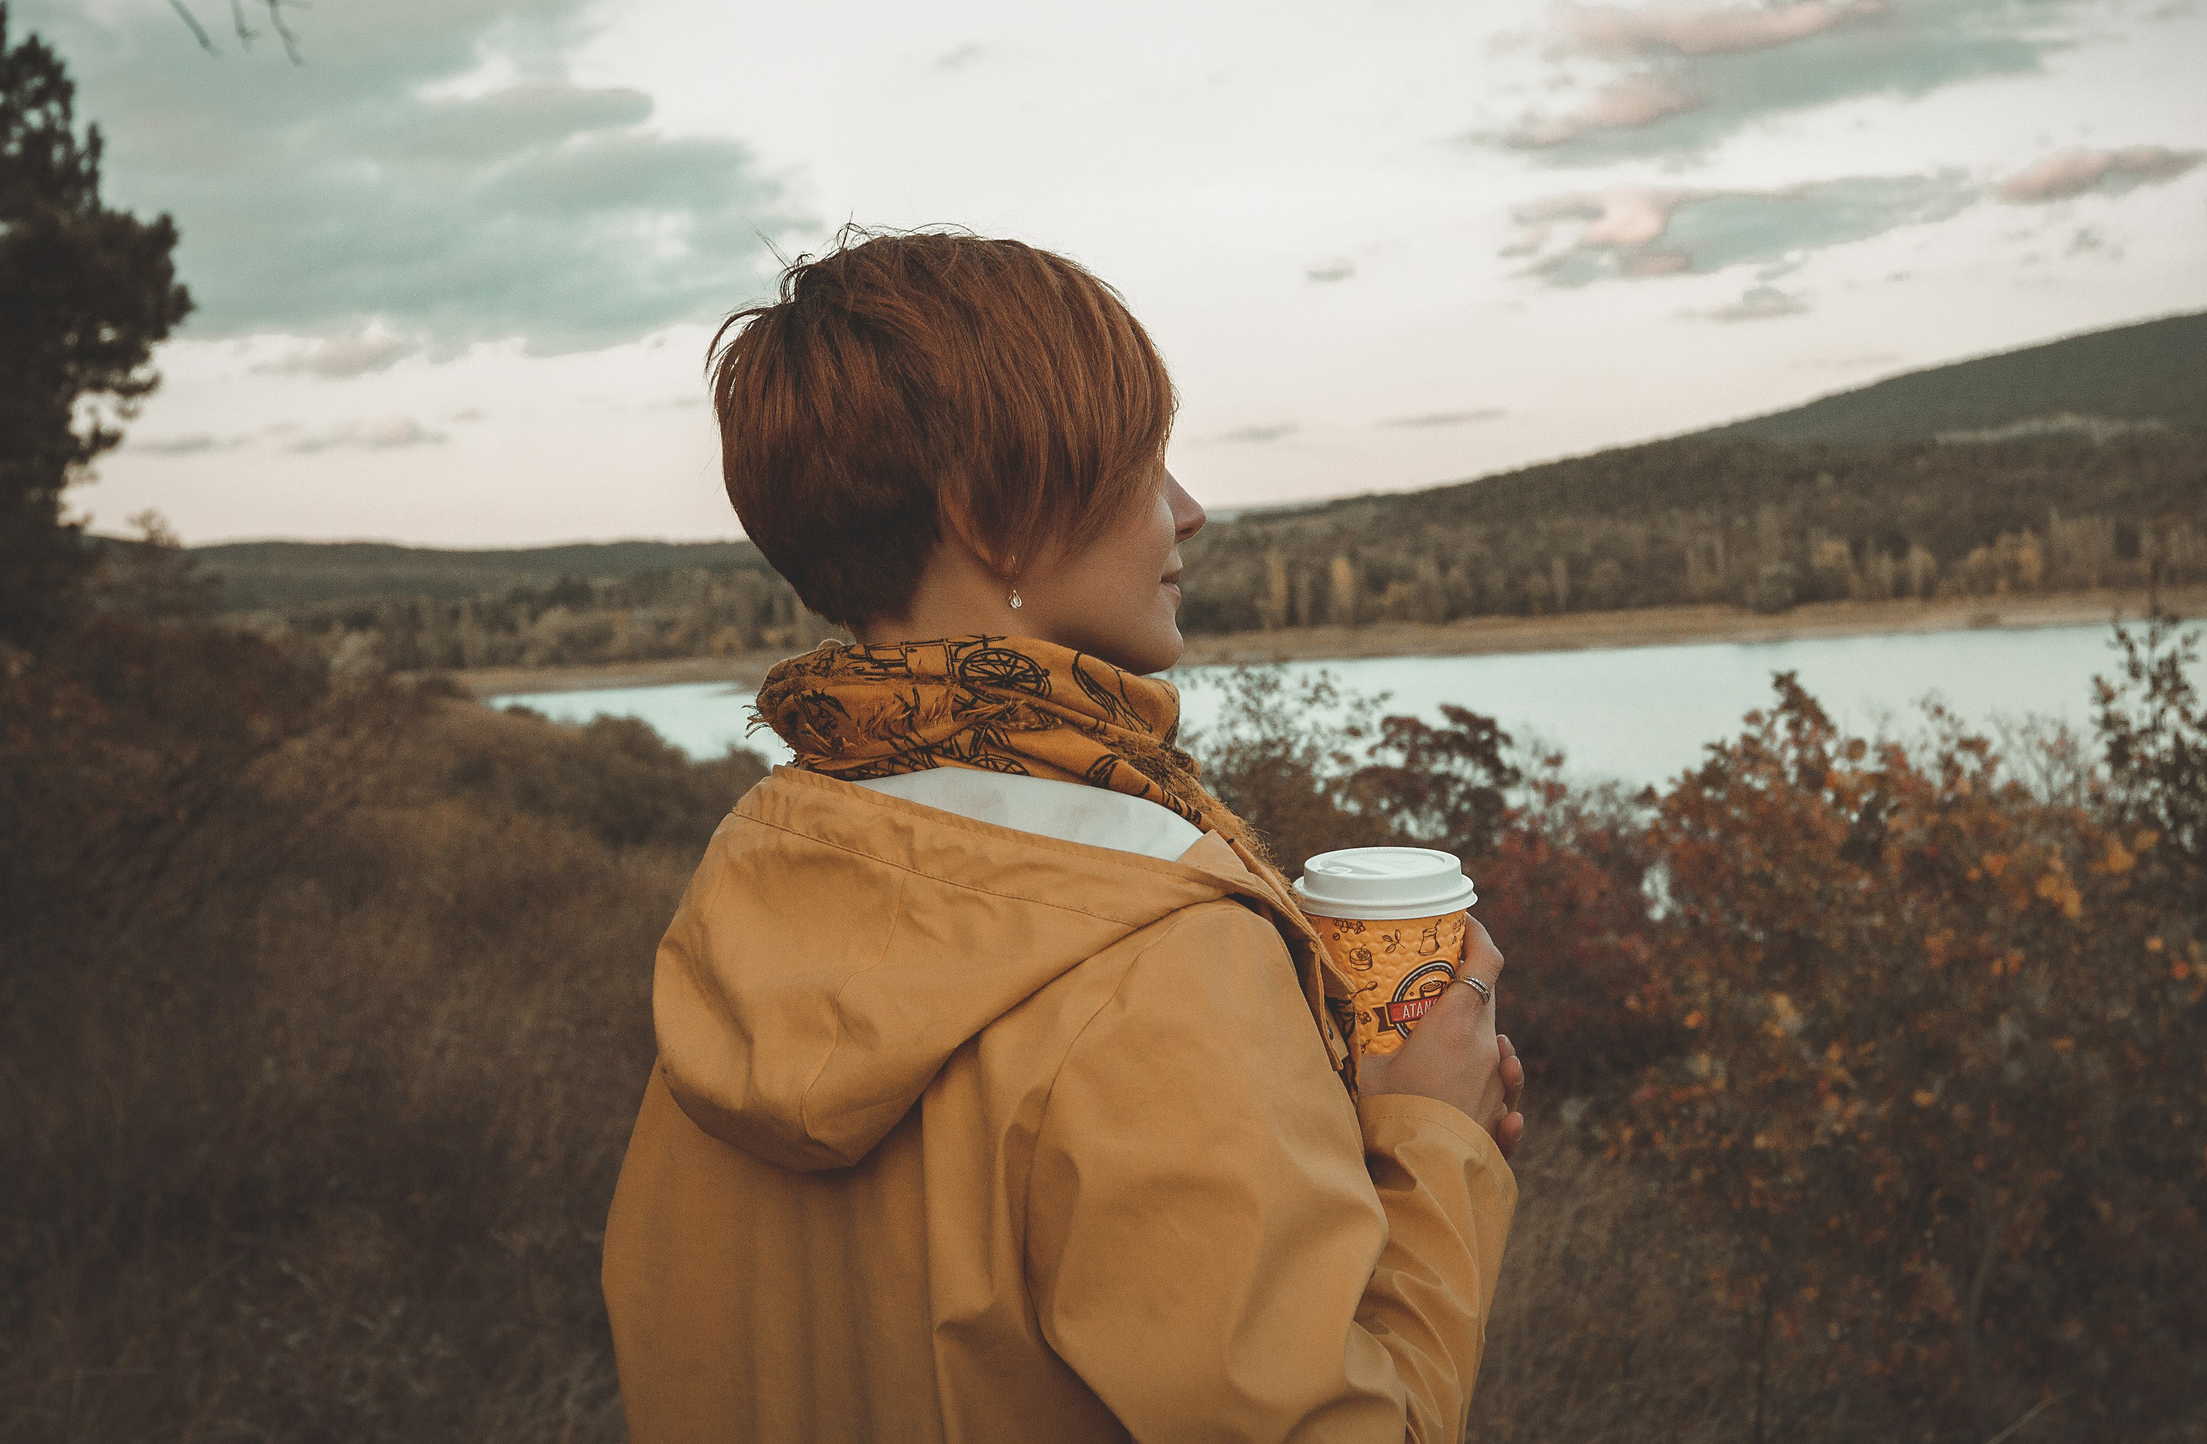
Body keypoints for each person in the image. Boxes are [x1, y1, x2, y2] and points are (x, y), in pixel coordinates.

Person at [602, 229, 1526, 1442]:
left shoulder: (759, 878)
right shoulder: (1154, 958)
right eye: (1145, 466)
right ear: (992, 515)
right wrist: (1429, 1140)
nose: (1189, 513)